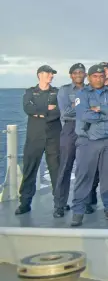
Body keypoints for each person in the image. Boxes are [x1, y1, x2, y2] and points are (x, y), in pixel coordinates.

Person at [70, 64, 108, 226]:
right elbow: (84, 114)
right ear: (89, 77)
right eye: (95, 76)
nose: (98, 79)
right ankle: (78, 211)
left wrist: (100, 109)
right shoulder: (82, 94)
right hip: (88, 141)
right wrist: (107, 115)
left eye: (101, 76)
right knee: (84, 176)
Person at [15, 65, 61, 215]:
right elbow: (28, 108)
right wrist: (48, 110)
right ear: (39, 75)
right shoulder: (30, 92)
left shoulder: (57, 93)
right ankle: (25, 202)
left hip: (53, 136)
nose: (51, 76)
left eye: (52, 74)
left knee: (56, 169)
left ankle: (59, 203)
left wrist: (41, 113)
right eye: (49, 73)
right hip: (35, 137)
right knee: (30, 169)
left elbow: (59, 111)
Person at [53, 63, 89, 218]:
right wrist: (85, 107)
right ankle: (59, 205)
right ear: (71, 75)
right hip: (70, 129)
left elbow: (97, 108)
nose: (79, 74)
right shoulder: (64, 90)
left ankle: (83, 203)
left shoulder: (90, 89)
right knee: (65, 167)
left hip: (88, 129)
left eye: (81, 72)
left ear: (85, 74)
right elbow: (66, 113)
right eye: (75, 72)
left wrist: (78, 106)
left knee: (85, 169)